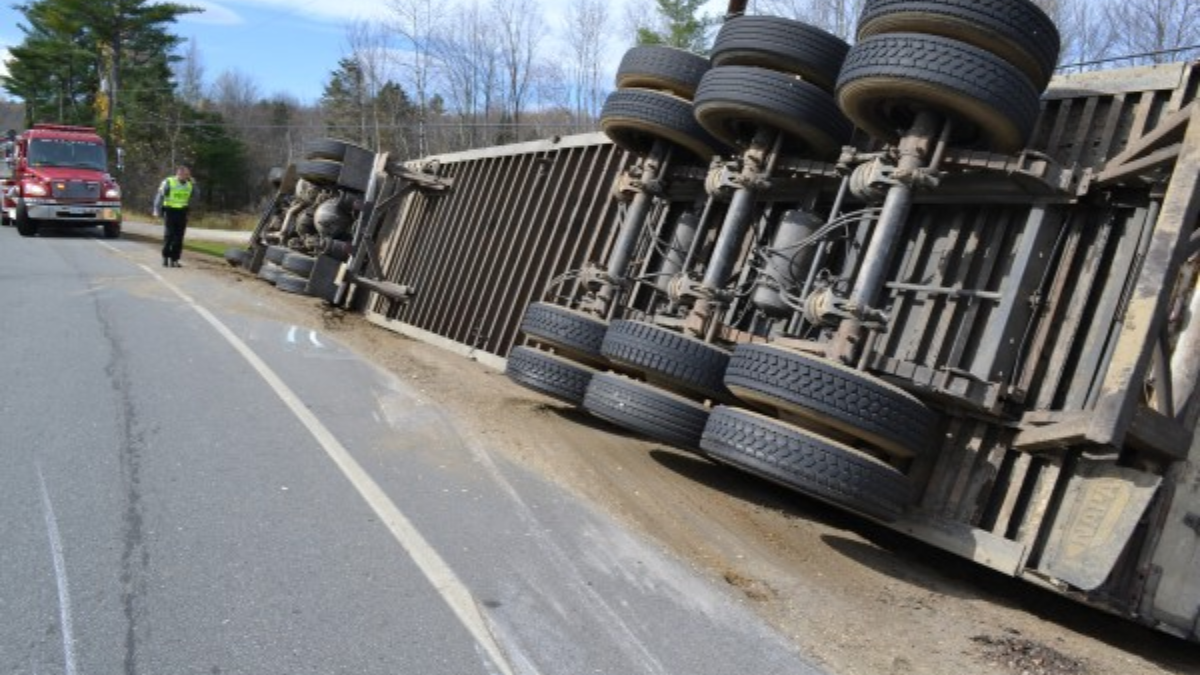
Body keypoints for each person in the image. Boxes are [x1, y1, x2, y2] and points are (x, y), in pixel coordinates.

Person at [152, 165, 195, 267]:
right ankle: (165, 257)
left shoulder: (190, 184)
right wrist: (156, 209)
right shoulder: (169, 182)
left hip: (182, 212)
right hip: (170, 210)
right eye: (186, 174)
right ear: (179, 174)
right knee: (169, 235)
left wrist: (195, 184)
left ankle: (175, 259)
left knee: (179, 237)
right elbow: (160, 196)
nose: (188, 176)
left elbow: (196, 196)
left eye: (188, 174)